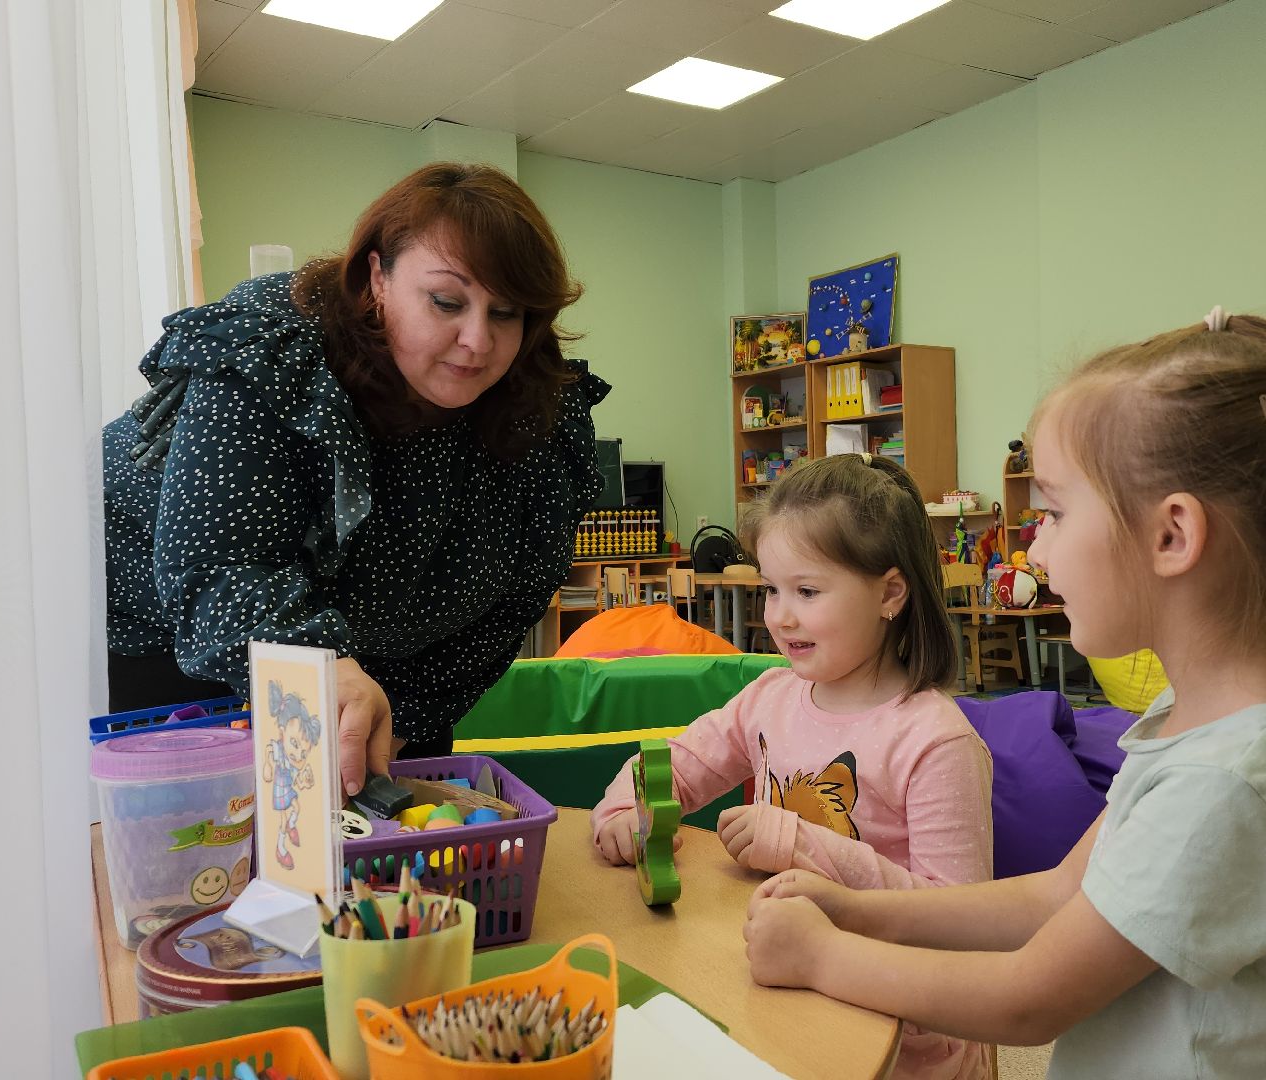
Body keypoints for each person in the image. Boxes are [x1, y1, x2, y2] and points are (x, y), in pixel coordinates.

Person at [741, 309, 1266, 1079]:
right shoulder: (1195, 719)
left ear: (1171, 536)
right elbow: (1056, 895)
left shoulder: (1232, 781)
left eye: (1053, 513)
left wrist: (823, 958)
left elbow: (1027, 1001)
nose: (1036, 547)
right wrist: (858, 910)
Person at [104, 162, 604, 795]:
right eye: (446, 302)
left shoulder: (540, 411)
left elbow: (517, 595)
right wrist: (318, 666)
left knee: (389, 824)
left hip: (381, 659)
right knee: (208, 833)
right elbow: (221, 567)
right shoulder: (275, 349)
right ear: (378, 278)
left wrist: (409, 715)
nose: (478, 340)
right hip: (178, 634)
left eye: (506, 313)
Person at [591, 453, 993, 1079]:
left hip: (904, 1033)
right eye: (771, 589)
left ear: (890, 593)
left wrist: (798, 842)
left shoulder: (936, 741)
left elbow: (958, 926)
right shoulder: (770, 697)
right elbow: (680, 763)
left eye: (806, 591)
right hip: (784, 982)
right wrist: (625, 807)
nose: (779, 615)